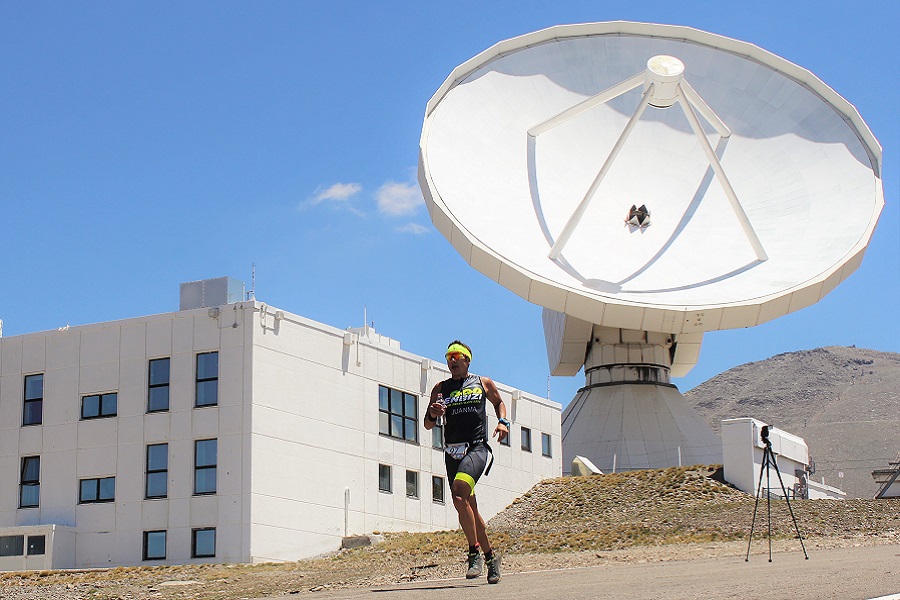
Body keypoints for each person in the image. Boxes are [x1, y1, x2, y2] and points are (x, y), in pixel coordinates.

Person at [424, 340, 510, 584]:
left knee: (459, 495)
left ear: (467, 360)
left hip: (477, 447)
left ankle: (473, 553)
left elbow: (499, 403)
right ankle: (491, 558)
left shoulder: (482, 383)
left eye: (457, 356)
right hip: (452, 452)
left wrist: (503, 422)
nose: (452, 361)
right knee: (468, 507)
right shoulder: (441, 388)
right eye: (449, 357)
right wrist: (433, 413)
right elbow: (427, 424)